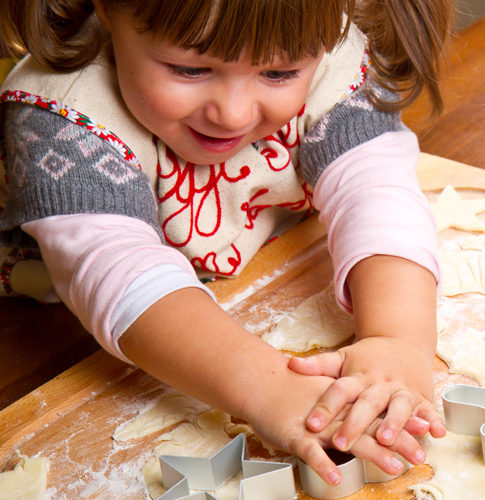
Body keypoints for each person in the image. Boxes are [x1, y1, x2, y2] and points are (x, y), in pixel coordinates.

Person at [0, 0, 453, 486]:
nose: (233, 113)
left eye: (278, 74)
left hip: (251, 265)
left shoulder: (322, 41)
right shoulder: (61, 115)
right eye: (189, 69)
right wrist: (269, 389)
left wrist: (399, 339)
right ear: (108, 10)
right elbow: (121, 276)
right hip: (55, 329)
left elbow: (376, 188)